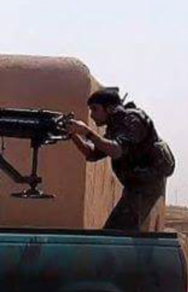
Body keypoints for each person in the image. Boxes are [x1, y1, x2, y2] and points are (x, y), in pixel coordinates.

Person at [65, 87, 176, 231]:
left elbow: (117, 150)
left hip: (146, 186)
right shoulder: (115, 127)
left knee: (115, 233)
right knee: (118, 233)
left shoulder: (132, 120)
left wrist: (87, 132)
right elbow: (92, 153)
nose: (92, 115)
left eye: (95, 109)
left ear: (110, 109)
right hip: (135, 186)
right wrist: (73, 135)